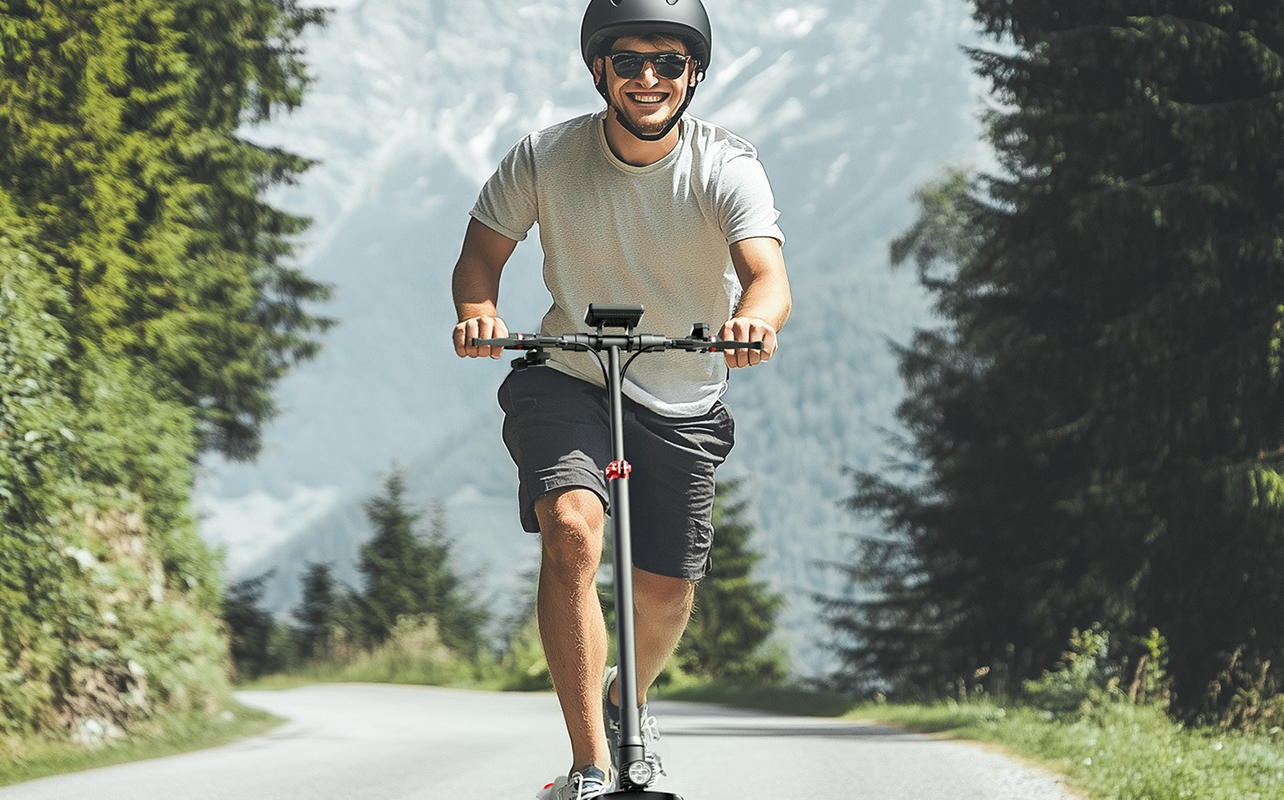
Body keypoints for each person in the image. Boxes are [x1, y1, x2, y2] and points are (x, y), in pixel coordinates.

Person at [450, 1, 790, 797]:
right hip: (569, 372)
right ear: (598, 69)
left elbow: (768, 277)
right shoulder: (545, 156)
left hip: (684, 389)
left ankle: (622, 700)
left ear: (693, 74)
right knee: (570, 528)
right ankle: (591, 766)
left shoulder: (725, 164)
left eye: (668, 64)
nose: (648, 79)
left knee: (668, 588)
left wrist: (751, 321)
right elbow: (479, 257)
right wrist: (477, 312)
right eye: (629, 61)